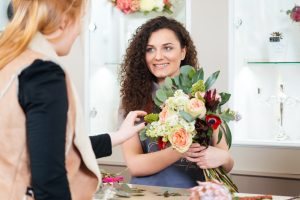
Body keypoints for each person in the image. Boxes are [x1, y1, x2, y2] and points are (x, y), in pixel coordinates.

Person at [0, 0, 146, 199]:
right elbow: (49, 178)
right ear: (64, 21)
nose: (79, 32)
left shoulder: (9, 62)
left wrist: (118, 136)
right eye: (81, 20)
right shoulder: (43, 73)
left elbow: (45, 144)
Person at [119, 16, 234, 188]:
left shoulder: (204, 98)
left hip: (195, 194)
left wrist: (224, 157)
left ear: (183, 52)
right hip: (147, 194)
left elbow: (226, 161)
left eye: (167, 48)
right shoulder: (132, 101)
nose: (158, 56)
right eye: (150, 49)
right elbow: (135, 166)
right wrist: (179, 150)